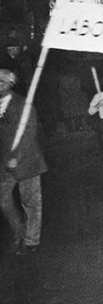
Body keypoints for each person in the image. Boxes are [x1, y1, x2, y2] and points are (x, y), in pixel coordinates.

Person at [0, 69, 47, 255]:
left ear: (10, 85)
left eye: (2, 83)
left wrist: (16, 157)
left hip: (27, 160)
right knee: (3, 199)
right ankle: (19, 231)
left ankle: (31, 240)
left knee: (31, 202)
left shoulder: (23, 105)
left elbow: (29, 133)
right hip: (3, 161)